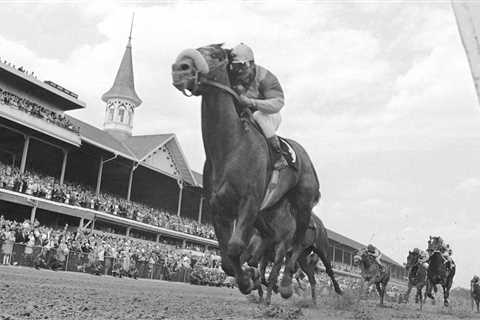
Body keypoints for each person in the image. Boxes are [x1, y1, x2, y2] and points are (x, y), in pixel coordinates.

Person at [229, 43, 288, 170]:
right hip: (245, 116)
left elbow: (278, 102)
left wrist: (252, 103)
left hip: (269, 116)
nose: (238, 71)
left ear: (250, 63)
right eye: (234, 66)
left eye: (241, 66)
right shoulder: (233, 78)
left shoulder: (266, 77)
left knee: (258, 115)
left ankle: (278, 156)